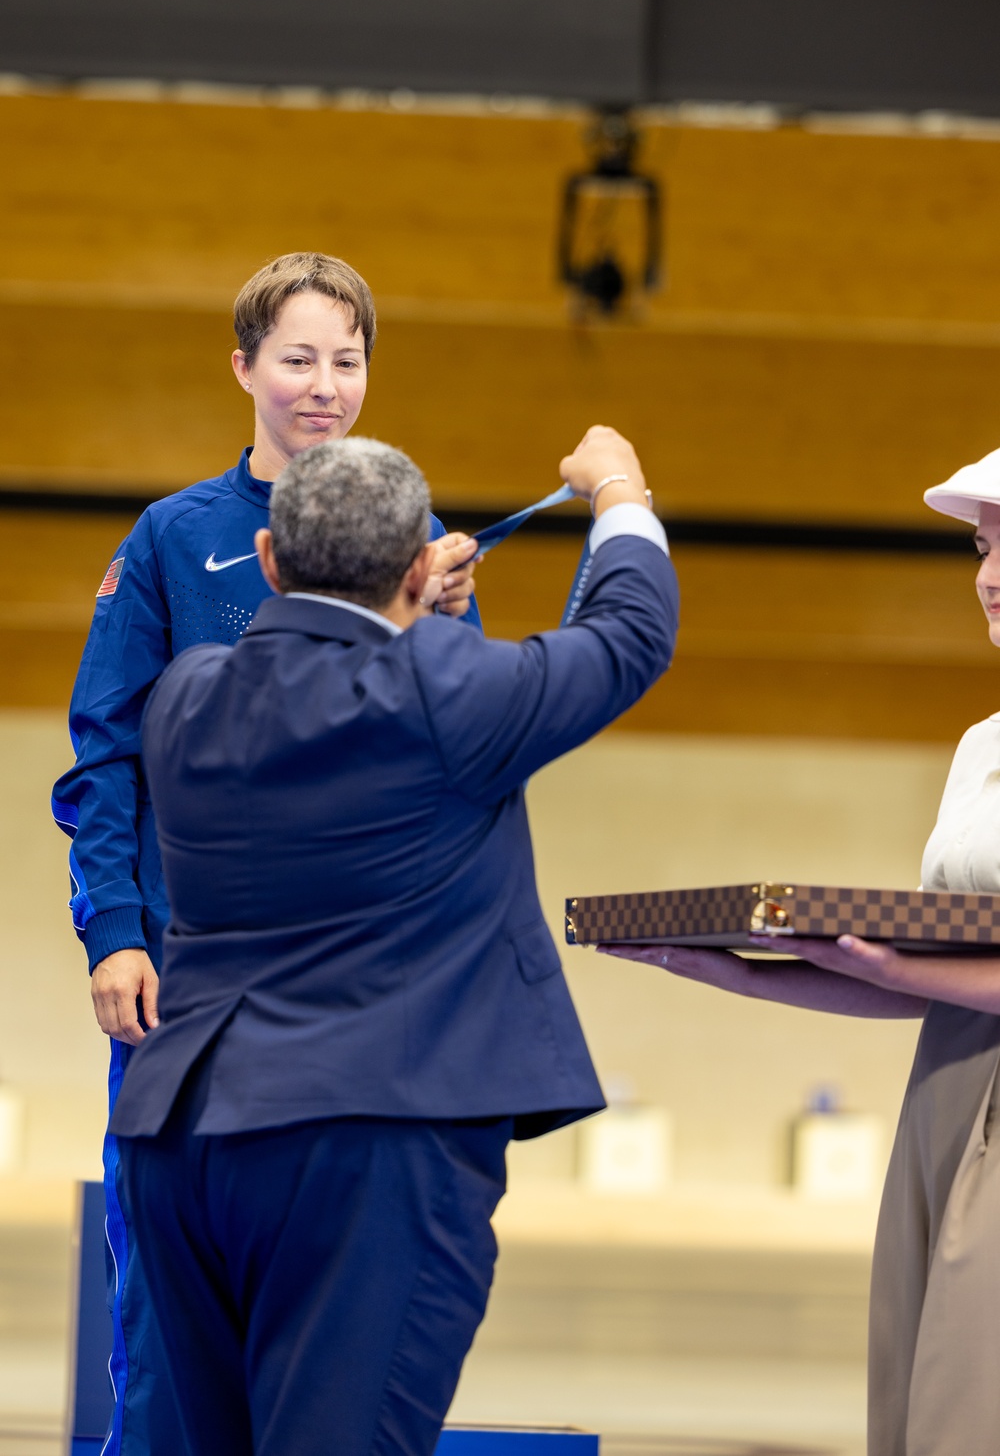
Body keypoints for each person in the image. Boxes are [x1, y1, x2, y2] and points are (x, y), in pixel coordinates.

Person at [110, 426, 677, 1456]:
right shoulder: (450, 692)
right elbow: (628, 631)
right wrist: (618, 491)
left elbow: (305, 674)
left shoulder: (187, 695)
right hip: (366, 1140)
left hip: (183, 1137)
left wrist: (414, 612)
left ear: (273, 560)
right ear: (421, 566)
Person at [51, 252, 479, 1456]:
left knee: (346, 1320)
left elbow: (458, 759)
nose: (324, 385)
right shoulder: (173, 540)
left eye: (346, 360)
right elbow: (105, 758)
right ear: (242, 367)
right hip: (188, 991)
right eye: (297, 357)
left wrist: (440, 631)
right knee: (171, 1323)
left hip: (358, 1002)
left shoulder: (425, 550)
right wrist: (117, 930)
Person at [604, 447, 1000, 1456]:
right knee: (916, 1406)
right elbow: (947, 986)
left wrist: (885, 961)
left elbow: (914, 966)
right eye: (981, 545)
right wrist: (735, 968)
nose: (987, 575)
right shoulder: (979, 746)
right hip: (946, 1098)